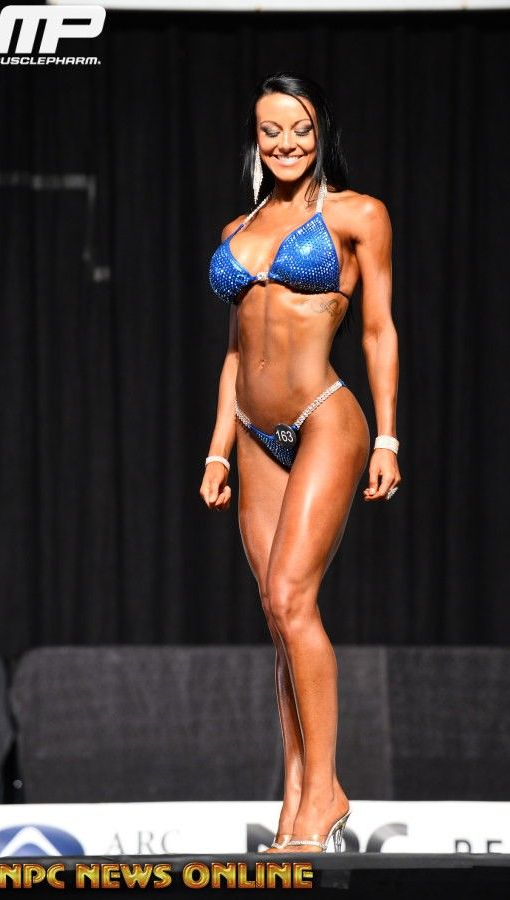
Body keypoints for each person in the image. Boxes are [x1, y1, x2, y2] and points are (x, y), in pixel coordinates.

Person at [200, 72, 400, 854]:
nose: (285, 143)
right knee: (278, 618)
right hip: (254, 431)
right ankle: (294, 799)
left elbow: (378, 330)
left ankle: (325, 790)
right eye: (271, 130)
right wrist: (218, 450)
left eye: (300, 129)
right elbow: (235, 354)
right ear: (256, 137)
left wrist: (388, 438)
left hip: (324, 417)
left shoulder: (356, 215)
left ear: (322, 133)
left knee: (291, 597)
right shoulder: (238, 227)